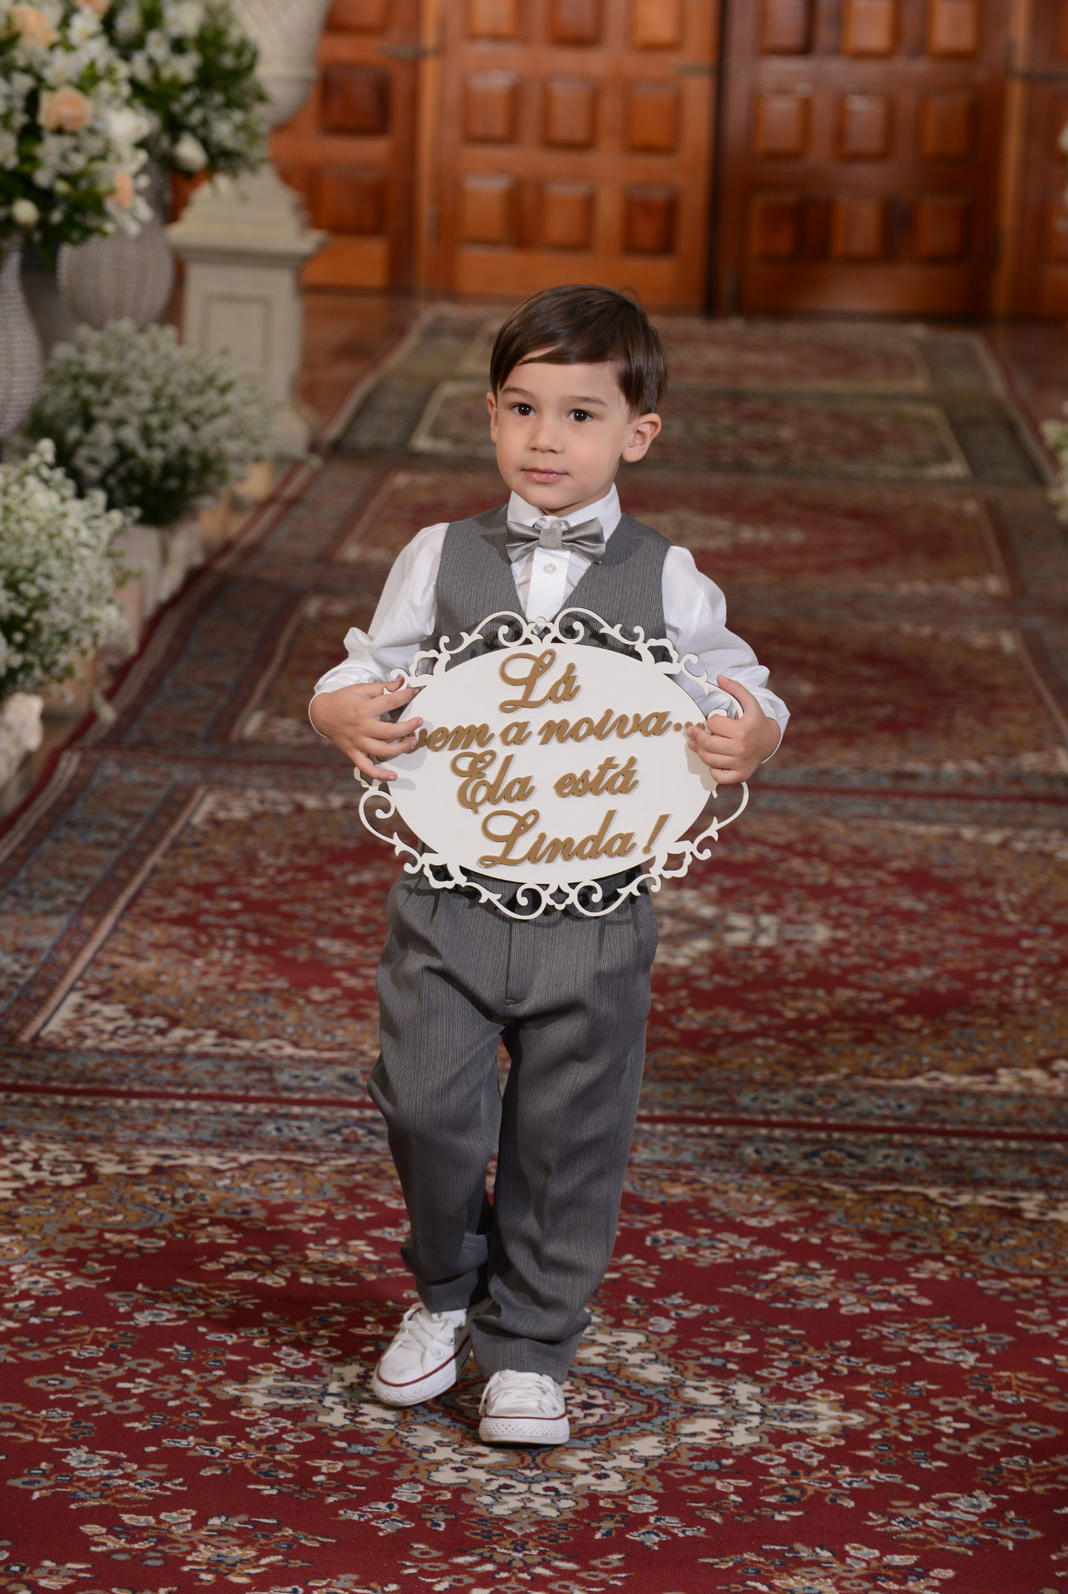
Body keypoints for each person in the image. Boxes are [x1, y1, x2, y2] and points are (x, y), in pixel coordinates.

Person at [310, 285, 788, 1446]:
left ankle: (530, 1343)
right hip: (451, 894)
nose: (545, 438)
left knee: (572, 1127)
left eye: (580, 415)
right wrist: (334, 709)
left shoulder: (666, 574)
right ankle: (445, 1287)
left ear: (637, 434)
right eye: (522, 408)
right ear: (489, 415)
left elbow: (743, 685)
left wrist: (755, 735)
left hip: (597, 905)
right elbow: (366, 663)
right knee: (425, 1101)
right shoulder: (440, 554)